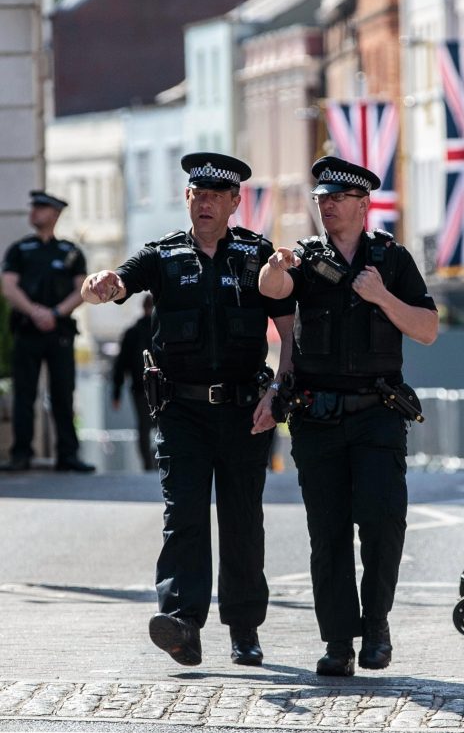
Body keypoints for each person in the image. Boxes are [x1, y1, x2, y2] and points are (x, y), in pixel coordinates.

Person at [81, 152, 295, 668]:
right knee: (184, 517)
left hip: (246, 410)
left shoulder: (257, 255)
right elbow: (120, 280)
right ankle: (181, 623)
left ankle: (244, 628)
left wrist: (279, 394)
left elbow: (290, 335)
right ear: (187, 199)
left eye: (215, 196)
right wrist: (103, 283)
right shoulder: (163, 255)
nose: (204, 203)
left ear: (234, 203)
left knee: (243, 519)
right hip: (182, 412)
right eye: (197, 195)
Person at [258, 155, 438, 678]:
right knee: (328, 533)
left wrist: (382, 296)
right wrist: (275, 268)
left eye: (338, 199)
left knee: (383, 524)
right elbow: (276, 303)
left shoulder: (392, 258)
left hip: (377, 413)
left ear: (363, 206)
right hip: (316, 415)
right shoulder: (304, 259)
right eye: (322, 199)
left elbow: (426, 328)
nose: (327, 206)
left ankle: (375, 626)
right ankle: (338, 641)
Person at [0, 191, 94, 473]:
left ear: (54, 214)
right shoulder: (19, 250)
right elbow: (9, 287)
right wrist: (35, 312)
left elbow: (83, 290)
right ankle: (21, 454)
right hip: (28, 330)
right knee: (24, 395)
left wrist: (54, 313)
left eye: (40, 208)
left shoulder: (70, 252)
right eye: (34, 207)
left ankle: (68, 455)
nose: (34, 212)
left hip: (59, 332)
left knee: (63, 394)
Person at [110, 294, 156, 470]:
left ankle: (148, 464)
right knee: (163, 425)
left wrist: (116, 393)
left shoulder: (133, 332)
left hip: (140, 387)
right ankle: (158, 463)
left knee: (144, 427)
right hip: (159, 387)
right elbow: (121, 365)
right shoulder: (162, 329)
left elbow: (120, 365)